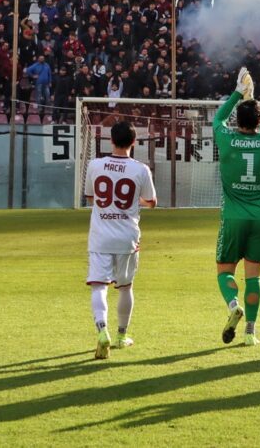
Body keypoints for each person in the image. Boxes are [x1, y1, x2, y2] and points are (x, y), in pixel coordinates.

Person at [212, 68, 260, 347]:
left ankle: (233, 306)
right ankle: (251, 332)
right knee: (254, 276)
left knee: (225, 270)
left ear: (237, 120)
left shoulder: (226, 139)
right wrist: (254, 99)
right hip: (259, 218)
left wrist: (239, 93)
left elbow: (218, 119)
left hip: (233, 216)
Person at [83, 121, 157, 359]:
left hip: (100, 236)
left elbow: (90, 198)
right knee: (125, 287)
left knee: (99, 286)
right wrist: (133, 203)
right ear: (134, 143)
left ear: (111, 140)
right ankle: (121, 335)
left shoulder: (95, 164)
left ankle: (101, 330)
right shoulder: (140, 169)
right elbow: (152, 202)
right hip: (127, 236)